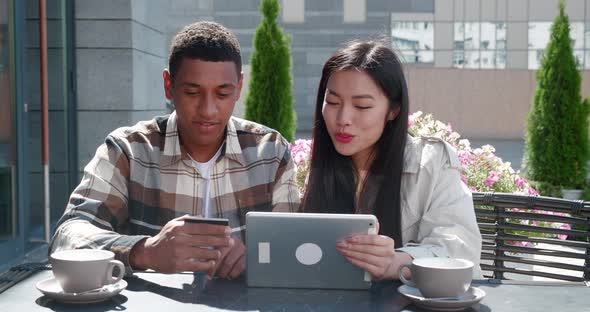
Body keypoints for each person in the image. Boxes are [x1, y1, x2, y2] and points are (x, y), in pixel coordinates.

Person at [49, 21, 300, 279]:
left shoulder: (270, 153)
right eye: (192, 92)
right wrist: (145, 251)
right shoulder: (129, 151)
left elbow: (293, 249)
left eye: (223, 94)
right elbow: (67, 235)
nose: (208, 110)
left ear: (239, 87)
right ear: (168, 85)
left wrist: (256, 258)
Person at [302, 40, 481, 281]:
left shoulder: (430, 163)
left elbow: (460, 248)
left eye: (362, 106)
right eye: (332, 102)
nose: (343, 118)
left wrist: (397, 263)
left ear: (394, 110)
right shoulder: (318, 168)